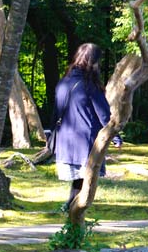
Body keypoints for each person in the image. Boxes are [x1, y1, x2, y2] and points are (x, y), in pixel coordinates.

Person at [51, 43, 120, 211]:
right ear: (93, 62)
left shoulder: (63, 83)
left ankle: (70, 212)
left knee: (78, 181)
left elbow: (55, 114)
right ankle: (73, 217)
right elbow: (104, 114)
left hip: (65, 141)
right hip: (85, 141)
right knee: (85, 181)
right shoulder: (90, 85)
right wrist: (115, 136)